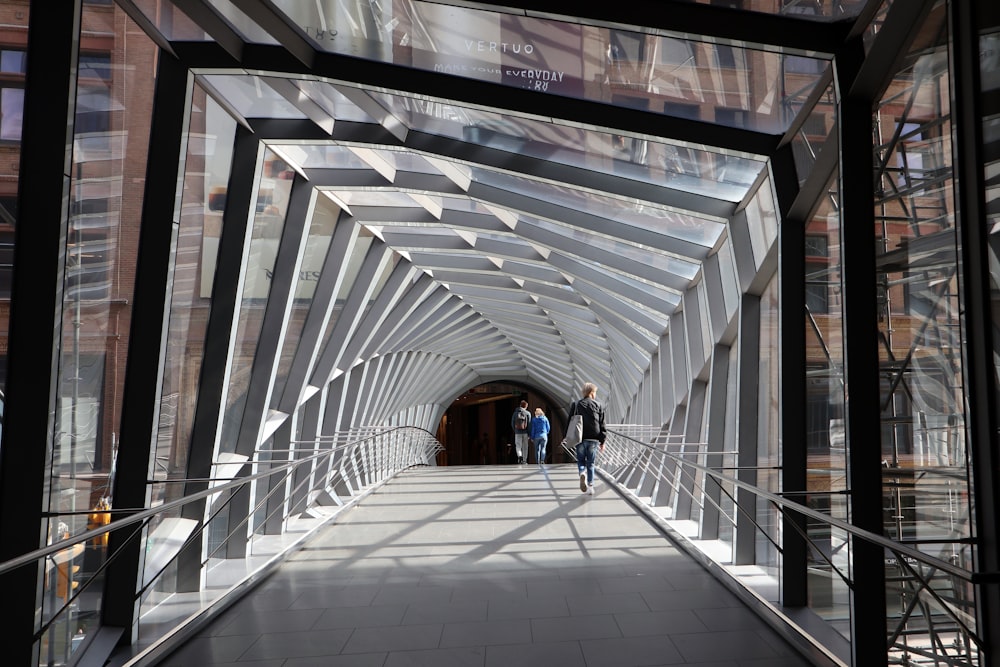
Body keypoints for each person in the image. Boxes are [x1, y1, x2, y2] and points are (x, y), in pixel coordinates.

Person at [570, 382, 606, 495]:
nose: (595, 394)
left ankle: (582, 472)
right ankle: (590, 486)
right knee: (591, 463)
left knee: (581, 460)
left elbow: (570, 421)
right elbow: (602, 424)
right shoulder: (598, 405)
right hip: (593, 438)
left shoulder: (576, 405)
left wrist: (567, 436)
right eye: (595, 392)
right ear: (591, 393)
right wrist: (602, 440)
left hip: (579, 437)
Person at [511, 400, 531, 464]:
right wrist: (529, 433)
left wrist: (515, 430)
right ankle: (524, 460)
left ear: (520, 405)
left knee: (518, 445)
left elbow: (512, 423)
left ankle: (519, 456)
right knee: (525, 447)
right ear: (526, 406)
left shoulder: (515, 413)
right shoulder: (528, 413)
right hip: (525, 433)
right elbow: (529, 424)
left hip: (517, 433)